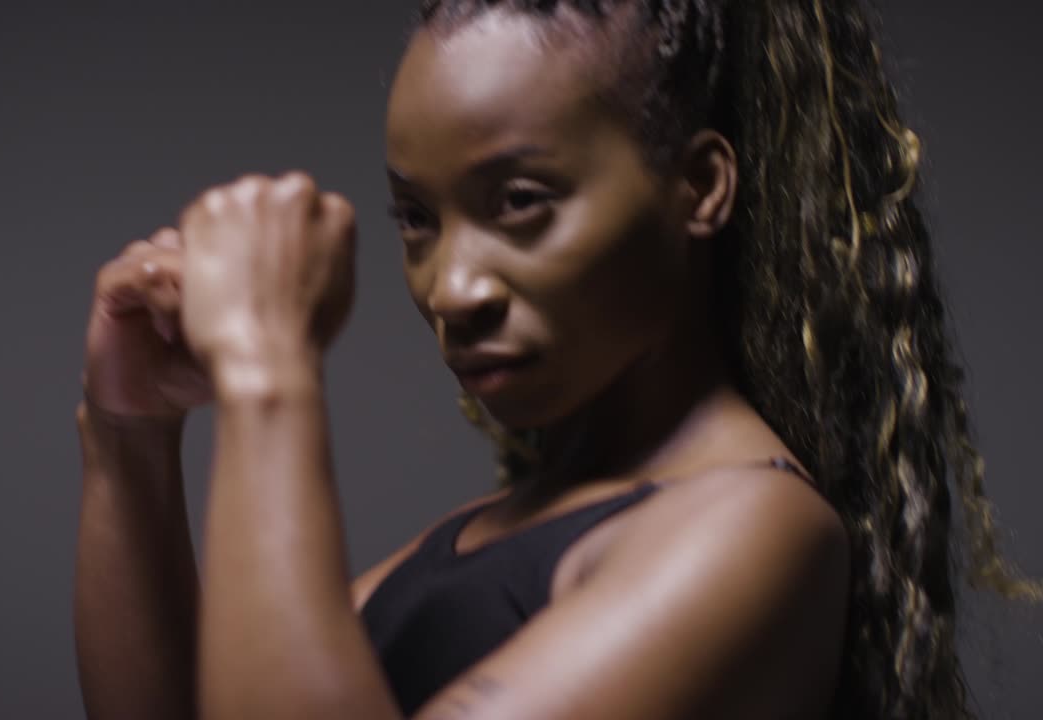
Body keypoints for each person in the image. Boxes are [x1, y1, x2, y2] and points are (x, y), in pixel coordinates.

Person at [72, 1, 1040, 718]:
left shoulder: (756, 530)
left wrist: (266, 375)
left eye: (520, 201)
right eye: (417, 216)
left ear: (698, 186)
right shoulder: (469, 543)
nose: (452, 288)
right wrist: (130, 438)